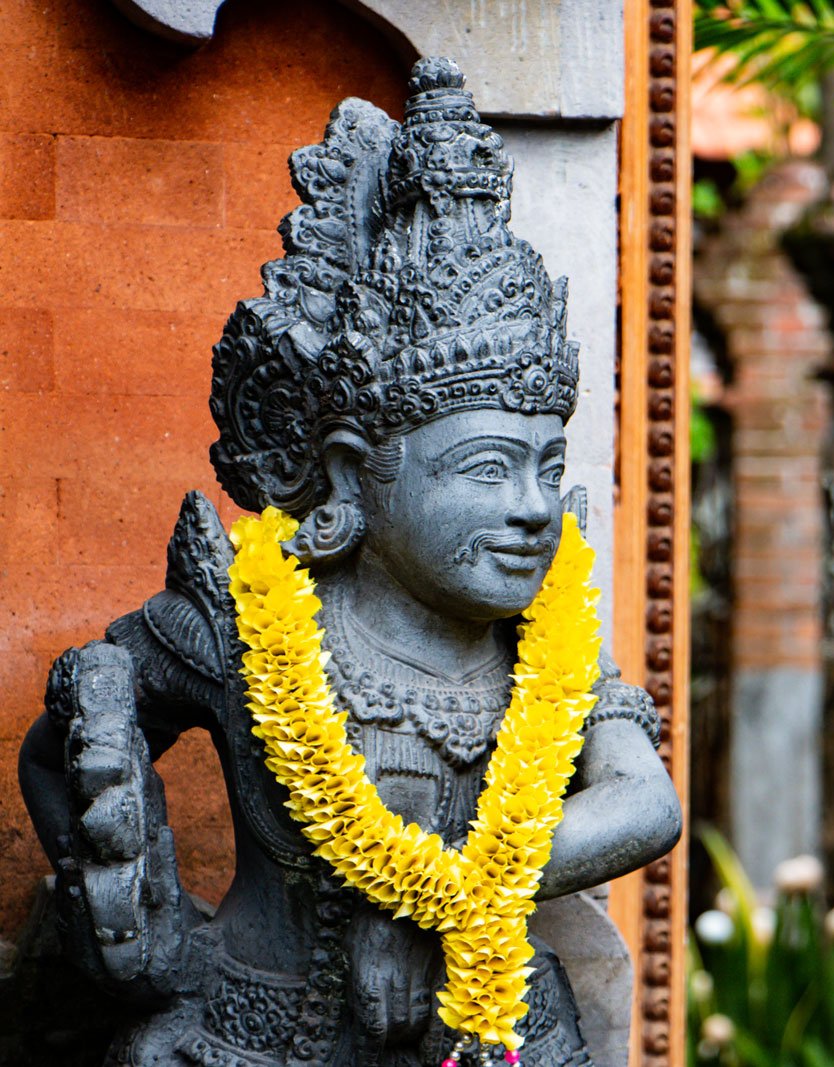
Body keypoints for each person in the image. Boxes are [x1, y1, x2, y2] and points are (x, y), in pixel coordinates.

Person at [16, 57, 680, 1067]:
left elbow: (646, 802)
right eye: (489, 467)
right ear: (351, 474)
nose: (534, 506)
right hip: (248, 1032)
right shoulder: (242, 622)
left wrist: (444, 889)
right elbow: (64, 734)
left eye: (549, 467)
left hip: (491, 1030)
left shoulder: (544, 643)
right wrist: (137, 914)